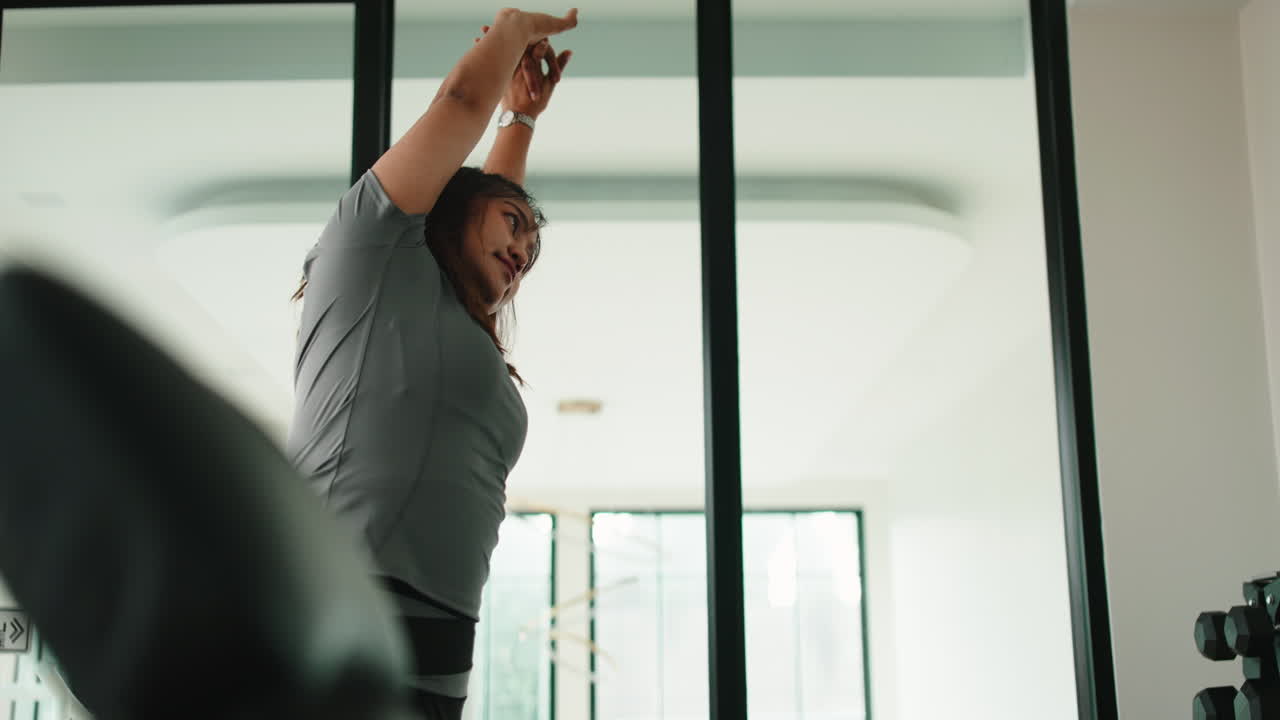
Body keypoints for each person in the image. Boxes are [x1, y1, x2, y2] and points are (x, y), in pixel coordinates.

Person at [284, 8, 578, 719]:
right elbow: (458, 108)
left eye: (531, 254)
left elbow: (489, 209)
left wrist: (522, 123)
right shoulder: (370, 255)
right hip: (343, 606)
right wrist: (512, 29)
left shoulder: (452, 322)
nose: (522, 257)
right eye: (515, 230)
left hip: (442, 649)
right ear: (453, 208)